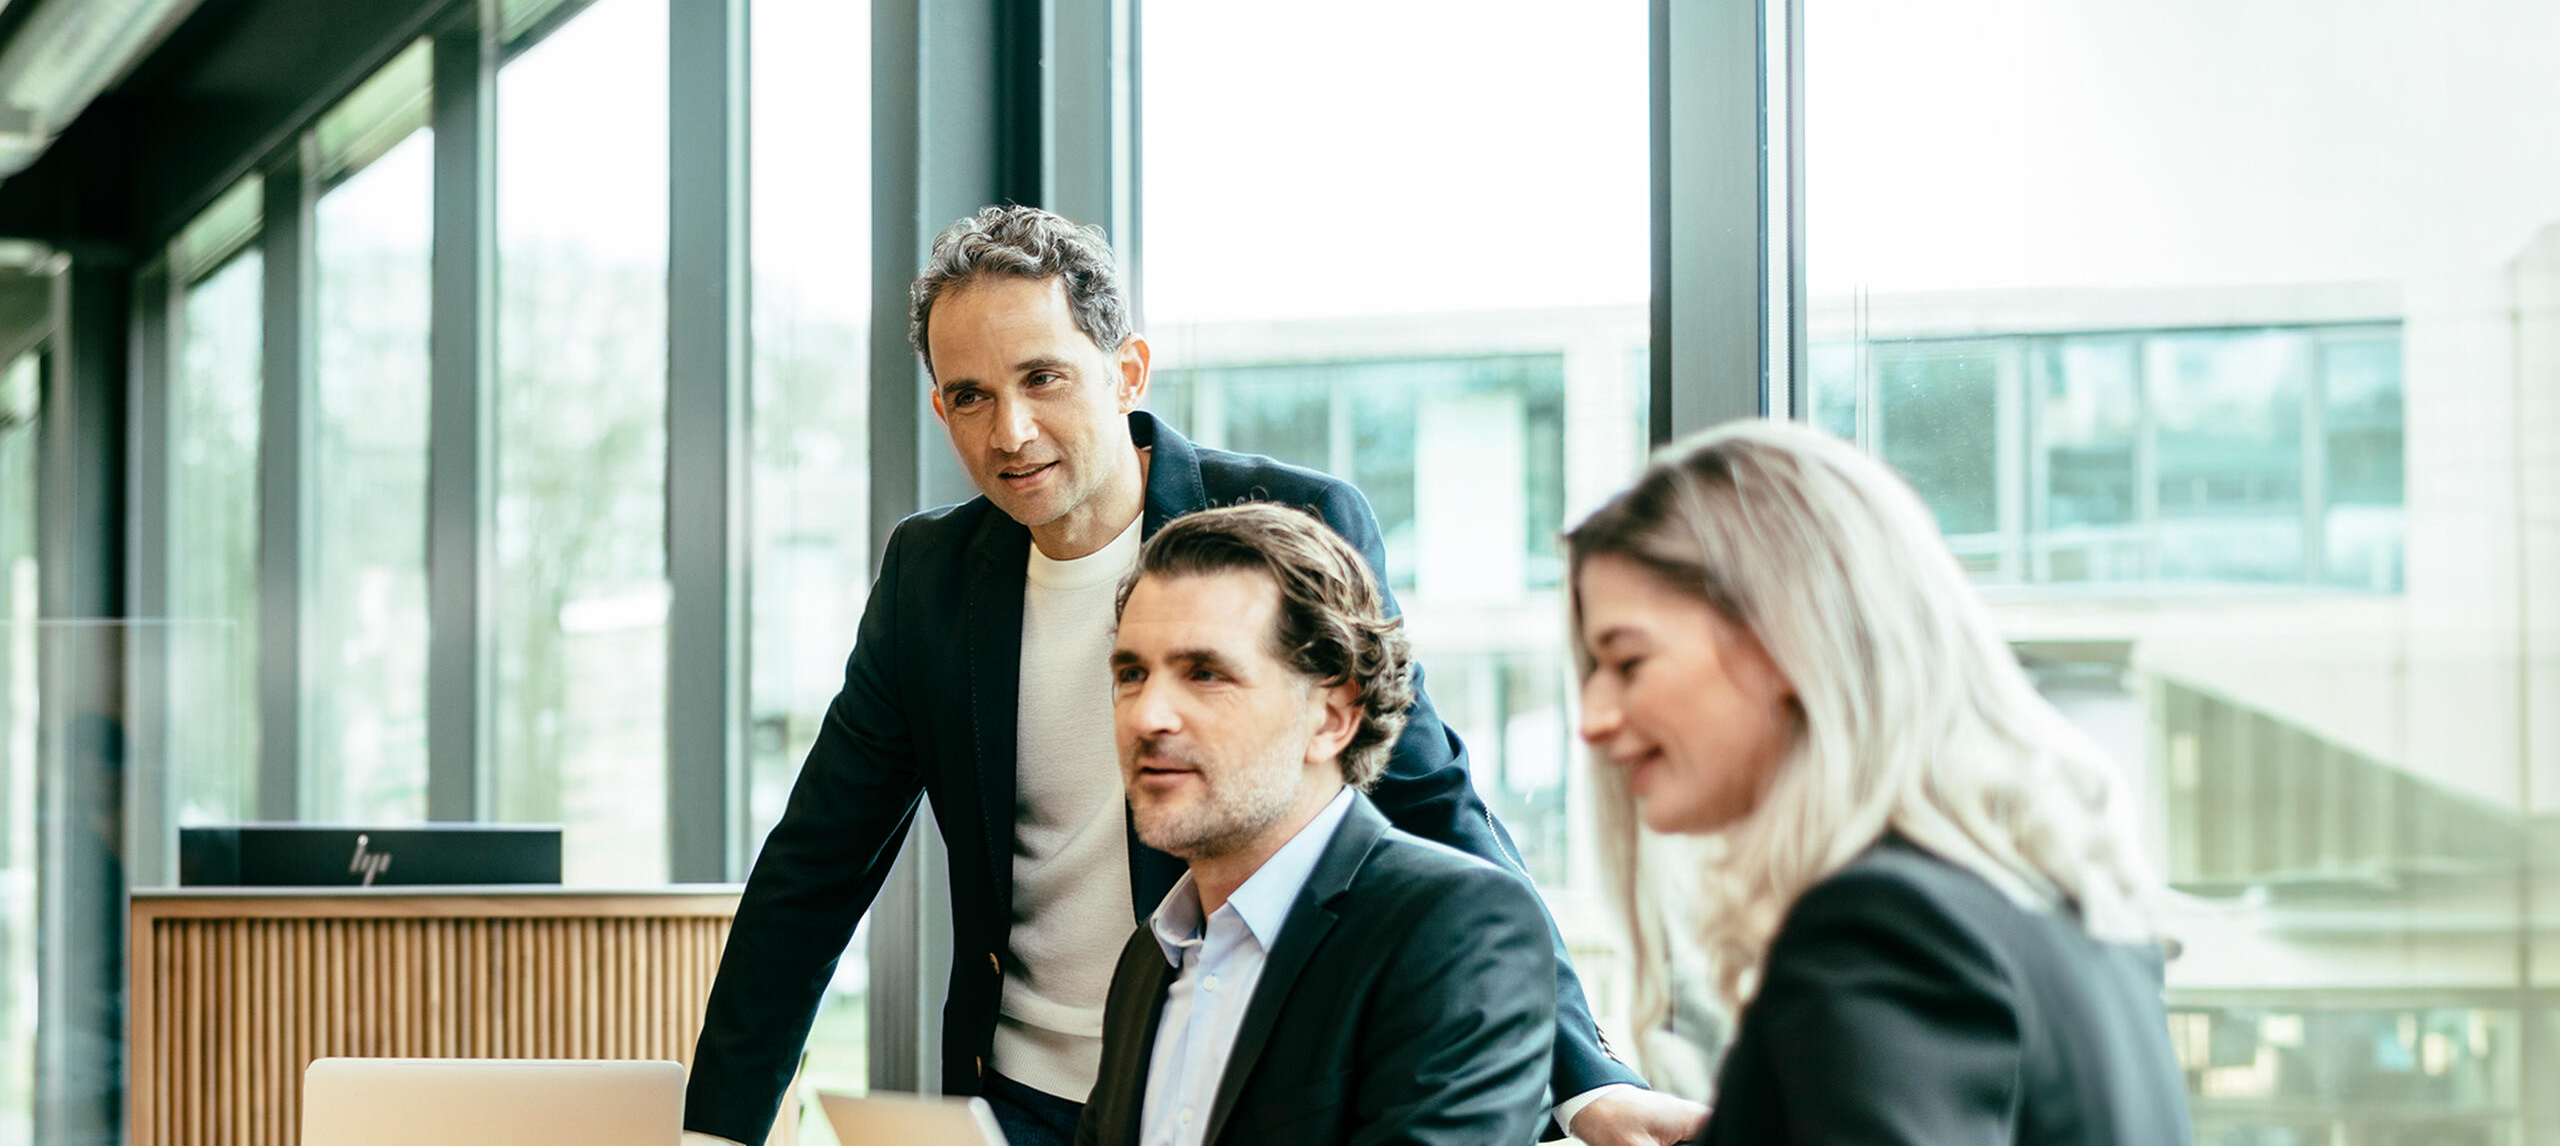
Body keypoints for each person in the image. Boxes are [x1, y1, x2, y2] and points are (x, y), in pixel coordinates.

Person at [683, 205, 1694, 1146]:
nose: (1010, 433)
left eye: (1043, 378)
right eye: (969, 397)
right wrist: (717, 1132)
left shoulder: (1282, 528)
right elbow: (815, 867)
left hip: (1230, 1076)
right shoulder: (930, 577)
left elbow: (1431, 802)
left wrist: (1585, 1078)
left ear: (1126, 371)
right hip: (1015, 1096)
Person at [1565, 419, 2194, 1144]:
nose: (1594, 719)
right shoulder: (2056, 903)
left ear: (1783, 639)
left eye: (1628, 662)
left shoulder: (1882, 928)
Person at [1076, 503, 1556, 1146]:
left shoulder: (1455, 927)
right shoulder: (1149, 956)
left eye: (1206, 673)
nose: (1148, 715)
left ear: (1332, 719)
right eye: (1131, 674)